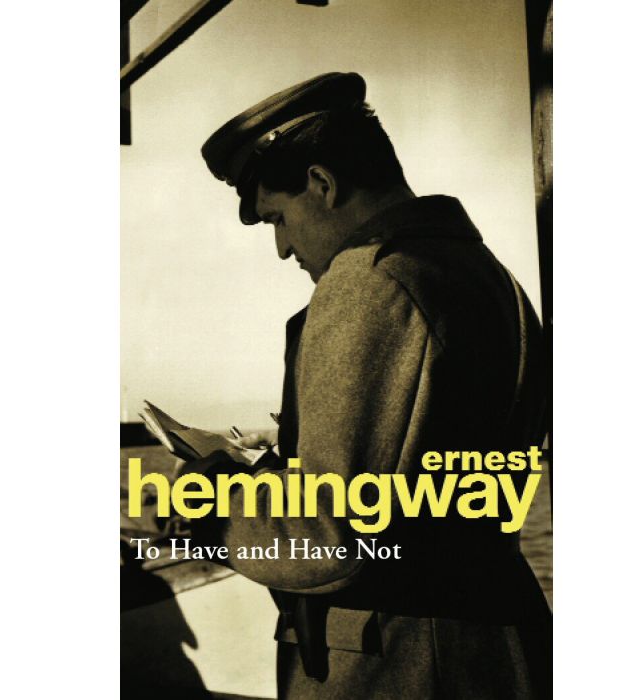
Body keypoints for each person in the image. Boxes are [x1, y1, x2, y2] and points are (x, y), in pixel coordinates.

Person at [189, 72, 551, 699]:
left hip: (400, 665)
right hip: (494, 650)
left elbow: (333, 534)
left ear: (322, 184)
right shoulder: (491, 277)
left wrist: (210, 502)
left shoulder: (369, 283)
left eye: (278, 218)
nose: (282, 248)